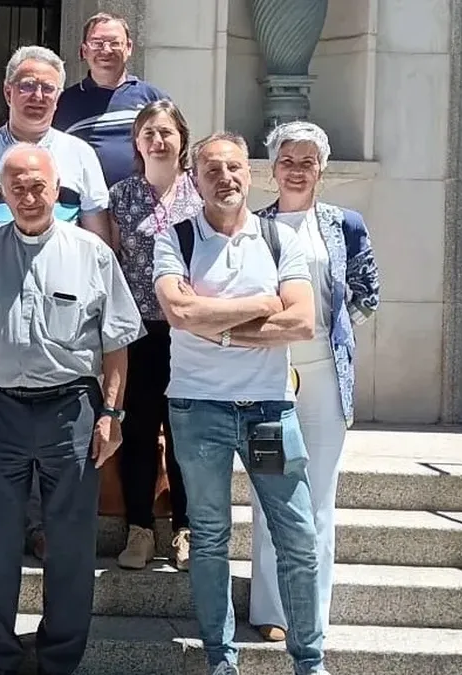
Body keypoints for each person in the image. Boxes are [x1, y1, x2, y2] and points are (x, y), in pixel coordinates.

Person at [0, 142, 142, 675]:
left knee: (70, 544)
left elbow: (116, 343)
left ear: (58, 191)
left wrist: (111, 414)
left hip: (70, 411)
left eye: (37, 187)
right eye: (17, 188)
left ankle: (59, 659)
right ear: (3, 194)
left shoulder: (93, 254)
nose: (28, 197)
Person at [152, 131, 329, 675]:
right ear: (195, 180)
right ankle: (220, 660)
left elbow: (301, 321)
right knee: (209, 538)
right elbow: (180, 313)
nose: (224, 178)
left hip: (268, 413)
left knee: (297, 536)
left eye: (233, 168)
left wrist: (219, 328)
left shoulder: (280, 238)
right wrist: (261, 304)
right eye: (211, 170)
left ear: (249, 174)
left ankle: (309, 662)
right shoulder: (176, 238)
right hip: (197, 410)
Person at [0, 44, 110, 565]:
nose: (37, 95)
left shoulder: (79, 156)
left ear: (59, 96)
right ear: (7, 91)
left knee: (45, 425)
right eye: (26, 85)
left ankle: (38, 528)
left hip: (60, 318)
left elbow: (98, 235)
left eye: (47, 88)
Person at [248, 121, 381, 642]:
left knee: (319, 495)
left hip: (325, 376)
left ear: (321, 170)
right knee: (269, 491)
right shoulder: (253, 227)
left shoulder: (344, 224)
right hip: (269, 376)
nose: (297, 170)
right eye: (288, 160)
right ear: (272, 168)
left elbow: (368, 292)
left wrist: (334, 330)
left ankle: (311, 614)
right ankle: (271, 610)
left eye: (307, 162)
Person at [107, 99, 201, 571]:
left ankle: (186, 528)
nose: (158, 141)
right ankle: (140, 529)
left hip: (192, 332)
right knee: (139, 431)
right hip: (139, 333)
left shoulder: (200, 191)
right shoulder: (121, 196)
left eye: (166, 132)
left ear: (182, 139)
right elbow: (110, 261)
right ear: (137, 143)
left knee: (185, 433)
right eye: (149, 134)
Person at [53, 12, 171, 188]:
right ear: (84, 50)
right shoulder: (64, 103)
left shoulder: (154, 99)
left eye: (115, 43)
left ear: (129, 47)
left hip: (144, 200)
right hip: (83, 201)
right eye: (97, 43)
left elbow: (175, 150)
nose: (106, 50)